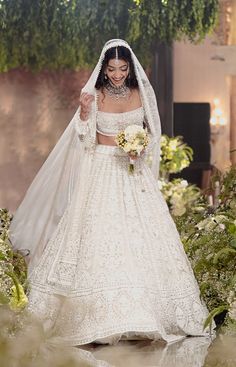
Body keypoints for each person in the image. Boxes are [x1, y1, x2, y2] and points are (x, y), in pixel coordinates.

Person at [9, 39, 213, 346]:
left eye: (123, 68)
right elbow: (84, 139)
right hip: (101, 170)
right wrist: (83, 113)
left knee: (139, 237)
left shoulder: (139, 94)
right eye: (112, 68)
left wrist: (138, 150)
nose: (117, 74)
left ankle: (143, 312)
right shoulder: (94, 95)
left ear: (130, 69)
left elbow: (149, 136)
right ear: (103, 68)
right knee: (100, 235)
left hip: (133, 174)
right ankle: (96, 316)